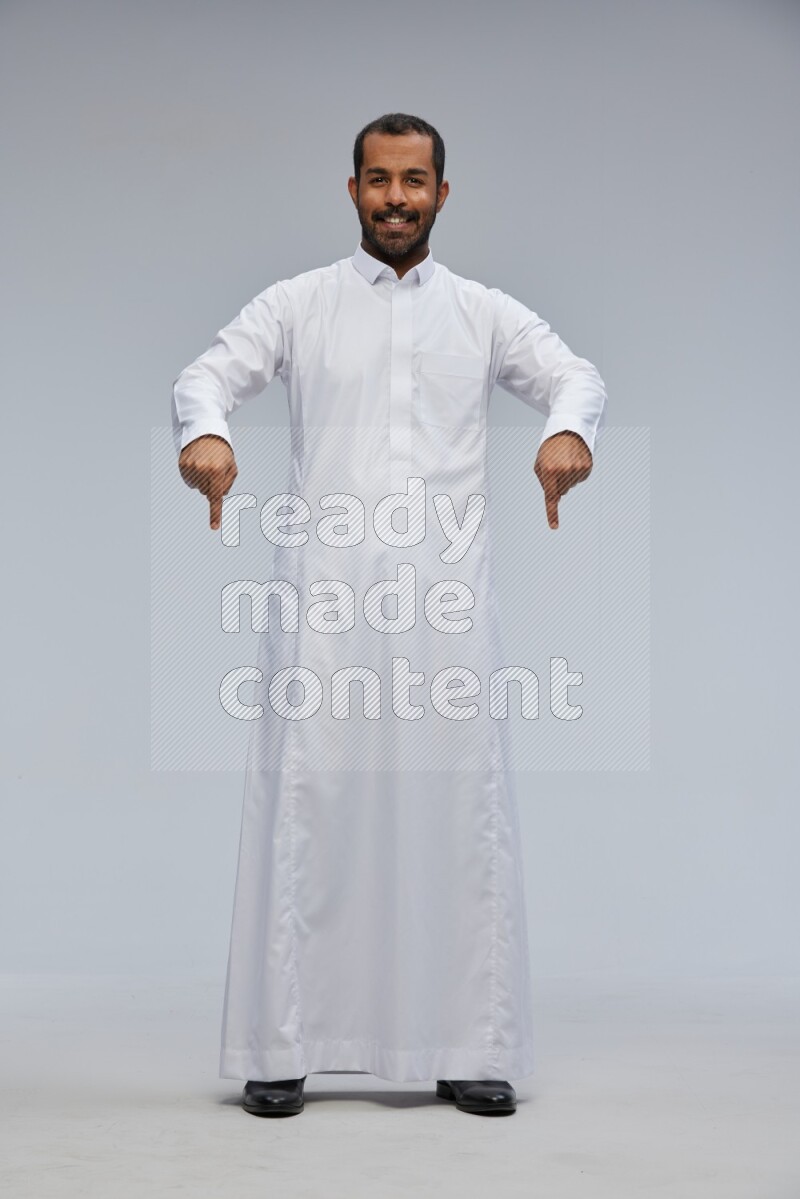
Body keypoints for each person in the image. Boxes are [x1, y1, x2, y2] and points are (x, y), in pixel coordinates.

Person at [171, 113, 606, 1117]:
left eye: (415, 181)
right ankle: (283, 1044)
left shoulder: (482, 313)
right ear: (353, 188)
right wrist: (205, 432)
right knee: (308, 807)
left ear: (443, 193)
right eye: (379, 180)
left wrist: (565, 431)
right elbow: (208, 373)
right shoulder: (299, 304)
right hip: (323, 599)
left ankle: (468, 1043)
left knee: (457, 810)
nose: (397, 198)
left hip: (444, 607)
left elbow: (571, 374)